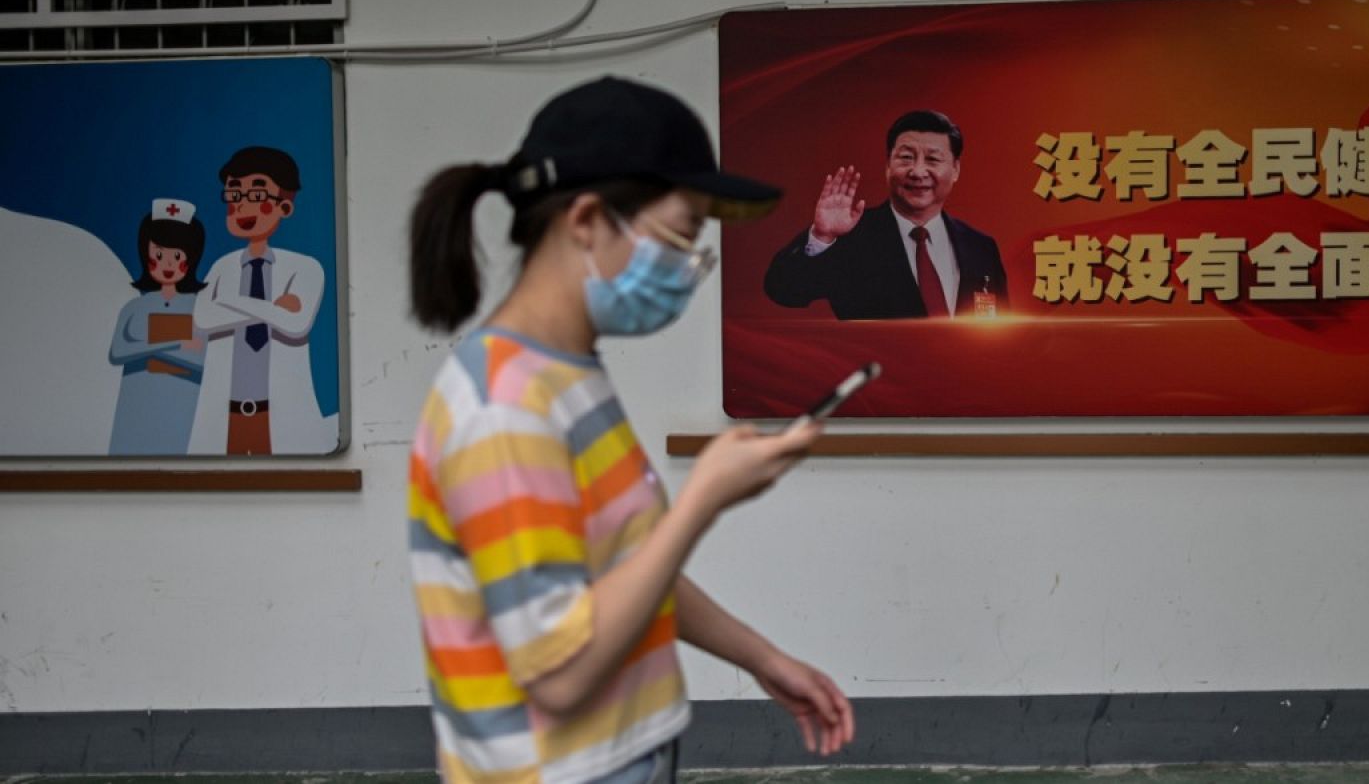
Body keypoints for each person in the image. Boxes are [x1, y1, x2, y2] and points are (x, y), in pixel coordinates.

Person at [405, 76, 854, 784]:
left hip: (628, 754)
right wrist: (703, 500)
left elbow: (622, 567)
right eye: (683, 234)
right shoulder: (503, 410)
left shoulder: (566, 372)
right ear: (587, 219)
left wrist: (760, 658)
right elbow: (559, 674)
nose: (690, 267)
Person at [763, 109, 1008, 320]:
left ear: (955, 169)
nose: (918, 171)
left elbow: (1001, 333)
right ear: (888, 165)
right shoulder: (850, 237)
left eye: (933, 159)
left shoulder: (981, 248)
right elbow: (784, 291)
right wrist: (822, 236)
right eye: (906, 158)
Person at [189, 146, 334, 455]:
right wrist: (270, 309)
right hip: (225, 412)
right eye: (234, 194)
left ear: (285, 207)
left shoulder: (305, 268)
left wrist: (230, 301)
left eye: (256, 195)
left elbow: (296, 323)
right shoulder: (222, 267)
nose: (242, 205)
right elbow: (202, 319)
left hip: (281, 413)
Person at [107, 199, 208, 454]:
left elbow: (200, 356)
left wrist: (150, 346)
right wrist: (175, 341)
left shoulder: (199, 308)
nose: (168, 264)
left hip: (180, 398)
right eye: (159, 255)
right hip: (136, 397)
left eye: (177, 256)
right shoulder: (135, 307)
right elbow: (119, 351)